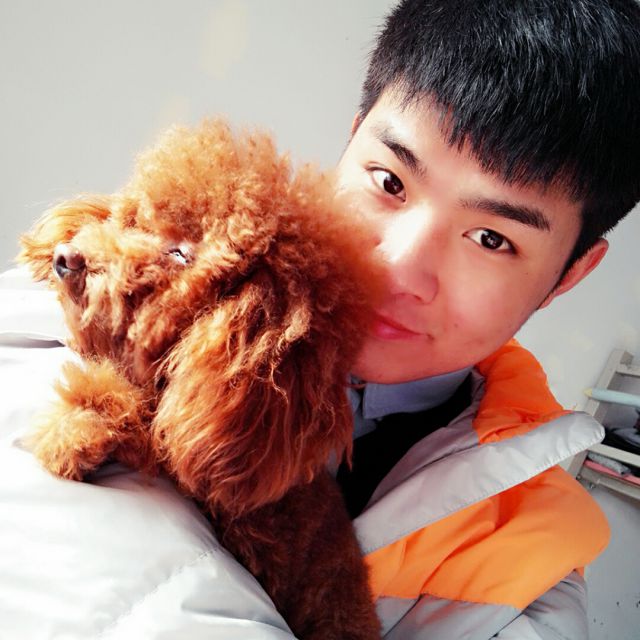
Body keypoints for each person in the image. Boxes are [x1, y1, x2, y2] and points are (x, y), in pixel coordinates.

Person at [1, 0, 639, 638]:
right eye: (389, 182)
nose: (397, 270)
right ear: (351, 139)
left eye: (491, 240)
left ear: (569, 275)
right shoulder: (90, 287)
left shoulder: (534, 566)